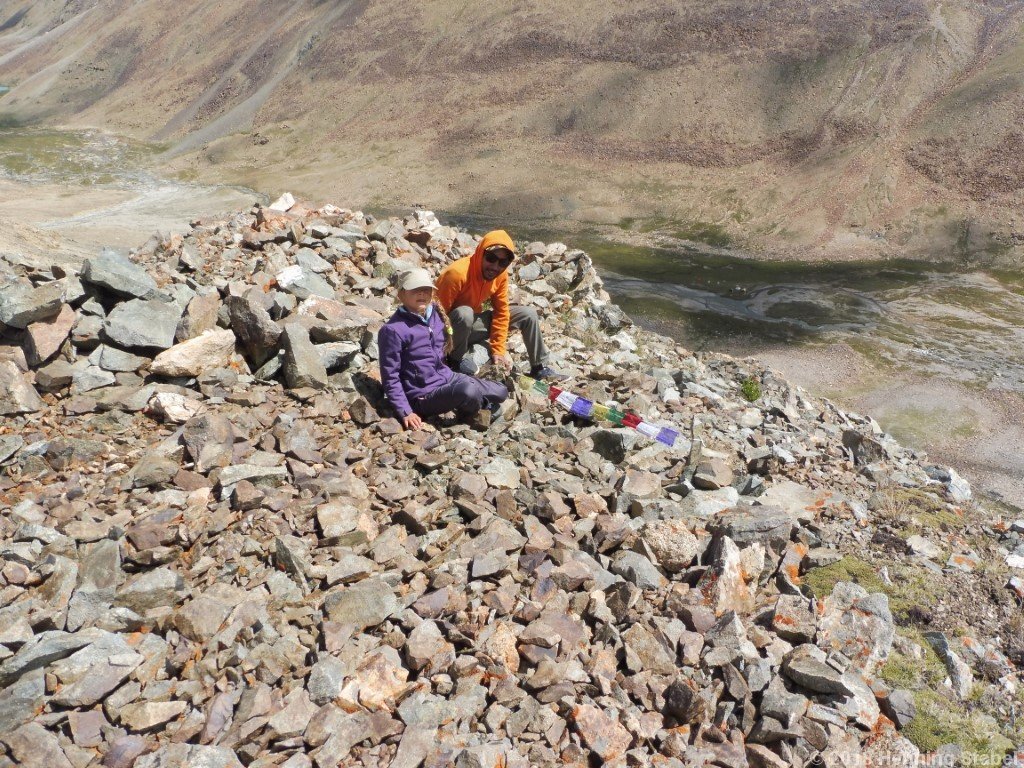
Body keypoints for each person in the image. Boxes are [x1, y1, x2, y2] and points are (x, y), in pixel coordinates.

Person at [378, 268, 508, 430]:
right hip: (422, 395)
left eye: (426, 290)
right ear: (401, 295)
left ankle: (472, 401)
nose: (422, 294)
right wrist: (405, 411)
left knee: (501, 391)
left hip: (446, 377)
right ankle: (480, 408)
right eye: (415, 290)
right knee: (467, 391)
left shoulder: (435, 315)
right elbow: (390, 377)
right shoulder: (393, 330)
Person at [436, 229, 566, 381]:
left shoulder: (500, 275)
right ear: (481, 253)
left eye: (503, 262)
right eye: (491, 258)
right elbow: (436, 314)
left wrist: (498, 350)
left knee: (528, 314)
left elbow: (502, 312)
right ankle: (454, 362)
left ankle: (539, 368)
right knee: (465, 313)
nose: (495, 266)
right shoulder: (457, 274)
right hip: (451, 328)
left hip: (473, 325)